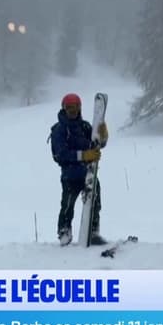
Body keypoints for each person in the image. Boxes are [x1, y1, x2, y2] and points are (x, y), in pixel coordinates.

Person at [50, 93, 109, 246]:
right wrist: (84, 155)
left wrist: (103, 135)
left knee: (95, 198)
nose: (72, 111)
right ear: (64, 109)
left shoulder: (85, 127)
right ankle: (64, 231)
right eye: (69, 108)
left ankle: (93, 230)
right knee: (67, 204)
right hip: (70, 175)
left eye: (75, 107)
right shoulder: (59, 130)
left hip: (88, 173)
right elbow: (60, 154)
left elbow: (96, 144)